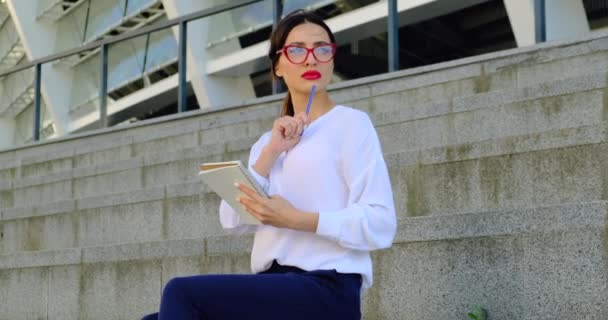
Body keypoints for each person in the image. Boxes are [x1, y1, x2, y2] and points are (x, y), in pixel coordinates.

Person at [142, 9, 396, 320]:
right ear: (278, 65)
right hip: (273, 286)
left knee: (181, 293)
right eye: (297, 50)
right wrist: (271, 153)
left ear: (332, 58)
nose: (311, 59)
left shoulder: (351, 124)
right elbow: (232, 221)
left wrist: (298, 219)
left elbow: (381, 222)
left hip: (327, 288)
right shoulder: (268, 142)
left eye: (322, 48)